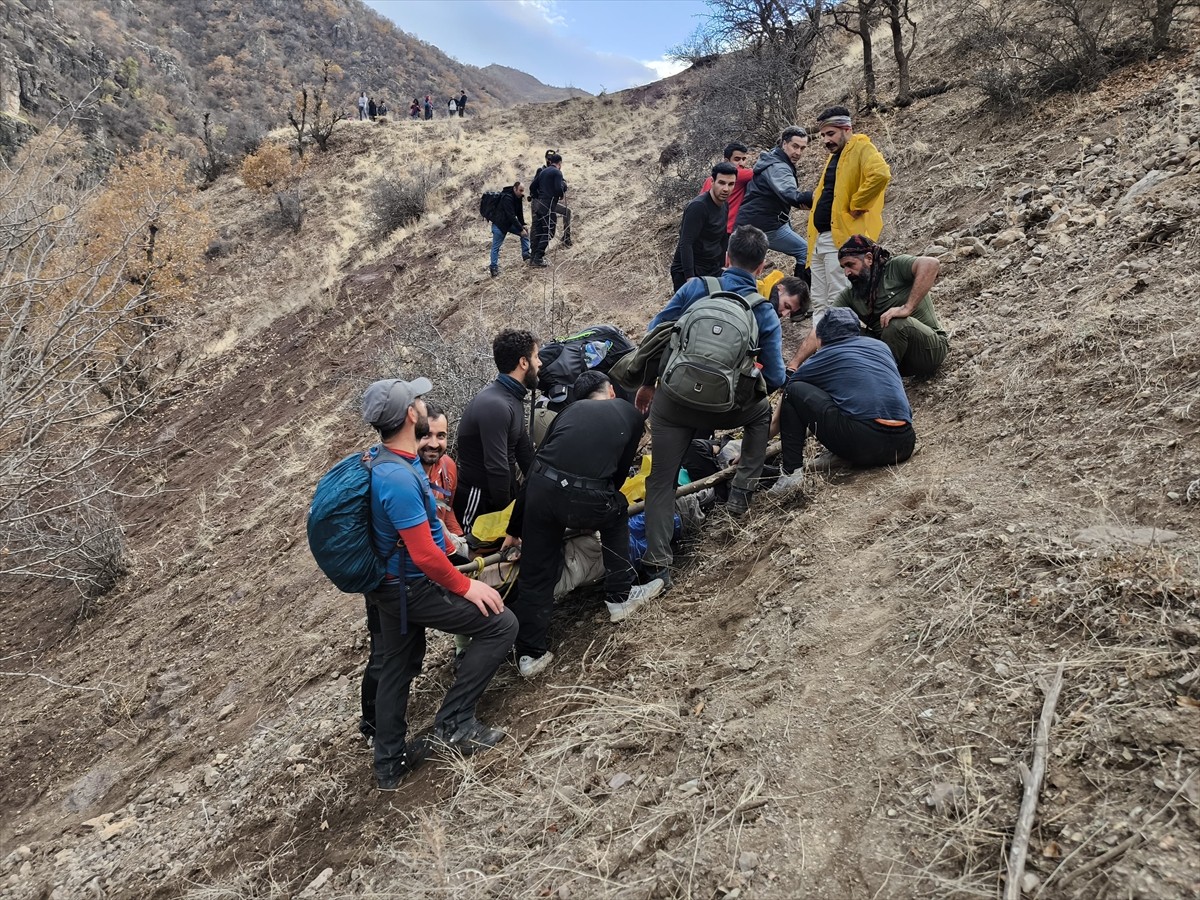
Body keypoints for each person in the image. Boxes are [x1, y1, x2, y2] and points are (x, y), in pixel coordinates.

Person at [358, 377, 518, 791]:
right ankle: (455, 723)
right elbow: (426, 555)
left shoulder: (391, 458)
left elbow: (430, 530)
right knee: (501, 624)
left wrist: (454, 543)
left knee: (398, 665)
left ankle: (389, 764)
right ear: (411, 415)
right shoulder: (398, 478)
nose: (422, 402)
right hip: (408, 586)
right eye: (416, 399)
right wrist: (468, 588)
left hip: (390, 584)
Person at [638, 226, 787, 587]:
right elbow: (776, 377)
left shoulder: (695, 288)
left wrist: (648, 383)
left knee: (661, 481)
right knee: (761, 414)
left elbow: (653, 334)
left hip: (673, 403)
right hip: (726, 408)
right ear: (762, 267)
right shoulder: (763, 310)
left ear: (726, 257)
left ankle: (658, 567)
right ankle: (740, 496)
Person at [500, 371, 665, 677]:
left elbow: (535, 466)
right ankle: (620, 598)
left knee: (536, 572)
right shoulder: (628, 414)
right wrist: (591, 514)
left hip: (539, 492)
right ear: (611, 391)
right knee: (618, 510)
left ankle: (530, 655)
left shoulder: (568, 412)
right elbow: (616, 479)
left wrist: (514, 529)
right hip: (584, 496)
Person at [770, 307, 915, 495]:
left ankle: (791, 475)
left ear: (820, 339)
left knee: (794, 390)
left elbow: (787, 401)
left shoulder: (824, 357)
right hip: (904, 443)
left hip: (864, 443)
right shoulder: (880, 347)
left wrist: (752, 448)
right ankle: (842, 455)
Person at [819, 235, 949, 377]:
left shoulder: (895, 267)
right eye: (844, 267)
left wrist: (907, 308)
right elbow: (825, 326)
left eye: (850, 265)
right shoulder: (850, 294)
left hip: (928, 353)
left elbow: (931, 264)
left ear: (869, 258)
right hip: (897, 359)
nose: (846, 273)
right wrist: (803, 364)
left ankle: (881, 378)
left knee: (895, 324)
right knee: (844, 333)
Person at [805, 107, 892, 317]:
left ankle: (841, 337)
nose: (826, 140)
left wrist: (857, 204)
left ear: (847, 129)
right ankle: (821, 339)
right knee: (819, 300)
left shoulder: (862, 147)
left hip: (840, 237)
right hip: (818, 239)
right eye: (823, 135)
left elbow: (880, 174)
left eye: (831, 133)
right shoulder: (835, 156)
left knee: (838, 297)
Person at [452, 330, 540, 534]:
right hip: (479, 501)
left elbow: (524, 453)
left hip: (502, 495)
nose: (540, 363)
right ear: (523, 362)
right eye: (536, 356)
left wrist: (542, 490)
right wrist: (508, 517)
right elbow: (497, 467)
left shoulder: (512, 399)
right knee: (474, 552)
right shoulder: (495, 404)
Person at [734, 126, 810, 276]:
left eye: (802, 148)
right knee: (805, 251)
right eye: (795, 146)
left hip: (751, 221)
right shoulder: (778, 166)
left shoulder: (772, 158)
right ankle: (800, 290)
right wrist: (814, 198)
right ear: (784, 143)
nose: (798, 152)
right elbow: (790, 194)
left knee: (746, 268)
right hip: (764, 225)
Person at [670, 162, 737, 291]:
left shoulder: (724, 205)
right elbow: (686, 243)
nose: (726, 189)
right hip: (689, 270)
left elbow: (722, 237)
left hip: (711, 268)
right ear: (712, 182)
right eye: (721, 183)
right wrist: (690, 277)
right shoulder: (698, 207)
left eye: (731, 184)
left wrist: (722, 266)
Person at [418, 402, 466, 552]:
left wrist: (459, 539)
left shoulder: (447, 466)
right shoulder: (402, 477)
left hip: (444, 549)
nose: (434, 444)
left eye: (440, 436)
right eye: (426, 435)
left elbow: (448, 510)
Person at [701, 142, 754, 235]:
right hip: (727, 229)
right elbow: (760, 171)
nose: (742, 163)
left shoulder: (710, 179)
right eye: (737, 159)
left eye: (744, 159)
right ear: (726, 161)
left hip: (707, 229)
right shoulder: (739, 174)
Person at [528, 153, 566, 268]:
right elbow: (558, 188)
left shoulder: (543, 171)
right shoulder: (557, 172)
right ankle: (538, 258)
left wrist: (538, 197)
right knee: (549, 231)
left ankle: (534, 258)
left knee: (540, 231)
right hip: (548, 205)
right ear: (559, 163)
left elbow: (532, 187)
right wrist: (562, 191)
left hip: (539, 205)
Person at [487, 181, 531, 277]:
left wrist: (523, 225)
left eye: (523, 190)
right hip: (499, 224)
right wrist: (520, 229)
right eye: (520, 190)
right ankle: (493, 268)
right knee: (496, 247)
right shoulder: (507, 198)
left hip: (510, 224)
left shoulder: (518, 197)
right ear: (515, 189)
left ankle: (526, 254)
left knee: (526, 232)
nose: (522, 193)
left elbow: (519, 213)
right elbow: (511, 215)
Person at [535, 149, 573, 248]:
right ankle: (535, 251)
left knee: (567, 211)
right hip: (542, 202)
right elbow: (534, 186)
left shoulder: (555, 171)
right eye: (548, 158)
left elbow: (562, 183)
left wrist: (563, 185)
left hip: (550, 201)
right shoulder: (541, 170)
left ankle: (566, 237)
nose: (549, 160)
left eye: (550, 158)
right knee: (539, 228)